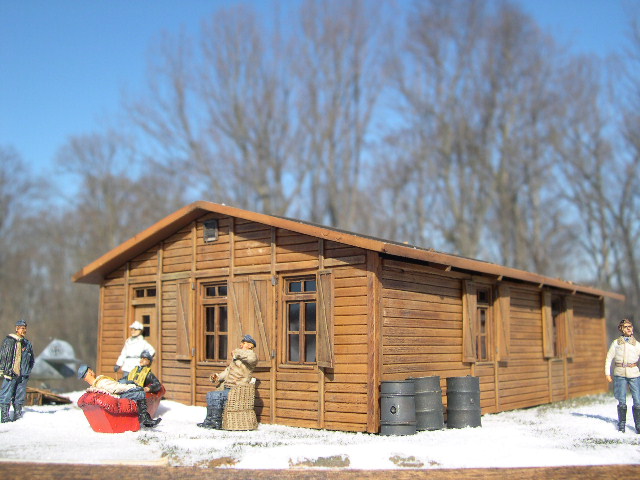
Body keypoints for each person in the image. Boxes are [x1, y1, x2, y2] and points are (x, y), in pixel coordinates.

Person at [197, 334, 258, 429]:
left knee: (215, 396)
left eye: (244, 343)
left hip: (237, 390)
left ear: (250, 346)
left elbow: (251, 359)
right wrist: (217, 377)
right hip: (227, 388)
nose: (241, 345)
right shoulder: (236, 360)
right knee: (210, 395)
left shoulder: (251, 356)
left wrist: (237, 353)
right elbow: (227, 372)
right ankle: (209, 420)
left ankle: (216, 422)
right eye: (241, 343)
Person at [77, 364, 161, 428]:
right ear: (90, 372)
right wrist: (133, 387)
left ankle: (145, 417)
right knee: (140, 392)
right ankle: (145, 418)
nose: (92, 370)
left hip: (115, 394)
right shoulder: (101, 382)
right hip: (118, 396)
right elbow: (116, 388)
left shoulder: (96, 384)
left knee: (130, 383)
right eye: (90, 370)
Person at [605, 318, 640, 433]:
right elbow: (609, 358)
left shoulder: (637, 345)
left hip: (634, 374)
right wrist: (607, 373)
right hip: (620, 374)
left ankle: (638, 425)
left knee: (638, 400)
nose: (629, 328)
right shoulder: (616, 343)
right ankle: (622, 424)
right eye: (626, 327)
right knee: (621, 400)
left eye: (630, 326)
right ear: (621, 329)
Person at [0, 319, 35, 423]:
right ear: (17, 329)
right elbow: (3, 356)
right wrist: (5, 370)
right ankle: (4, 415)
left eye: (25, 328)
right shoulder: (10, 341)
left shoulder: (27, 343)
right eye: (22, 328)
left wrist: (27, 369)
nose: (24, 330)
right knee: (6, 393)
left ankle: (17, 413)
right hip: (11, 373)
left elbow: (31, 358)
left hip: (23, 374)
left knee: (19, 395)